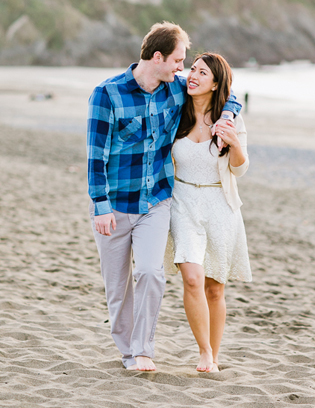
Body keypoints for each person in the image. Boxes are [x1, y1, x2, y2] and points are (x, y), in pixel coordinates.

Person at [87, 22, 240, 371]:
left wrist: (228, 114)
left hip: (156, 201)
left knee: (152, 274)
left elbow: (225, 90)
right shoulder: (107, 94)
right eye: (178, 60)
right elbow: (95, 155)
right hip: (114, 205)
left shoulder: (175, 89)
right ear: (158, 57)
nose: (182, 68)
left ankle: (142, 350)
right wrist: (100, 206)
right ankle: (127, 351)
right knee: (117, 289)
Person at [165, 52, 251, 373]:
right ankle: (203, 352)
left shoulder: (230, 119)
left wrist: (235, 145)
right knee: (192, 278)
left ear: (216, 84)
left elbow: (240, 170)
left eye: (203, 73)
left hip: (220, 204)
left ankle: (214, 357)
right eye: (193, 69)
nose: (193, 76)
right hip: (183, 200)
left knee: (215, 288)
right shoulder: (178, 113)